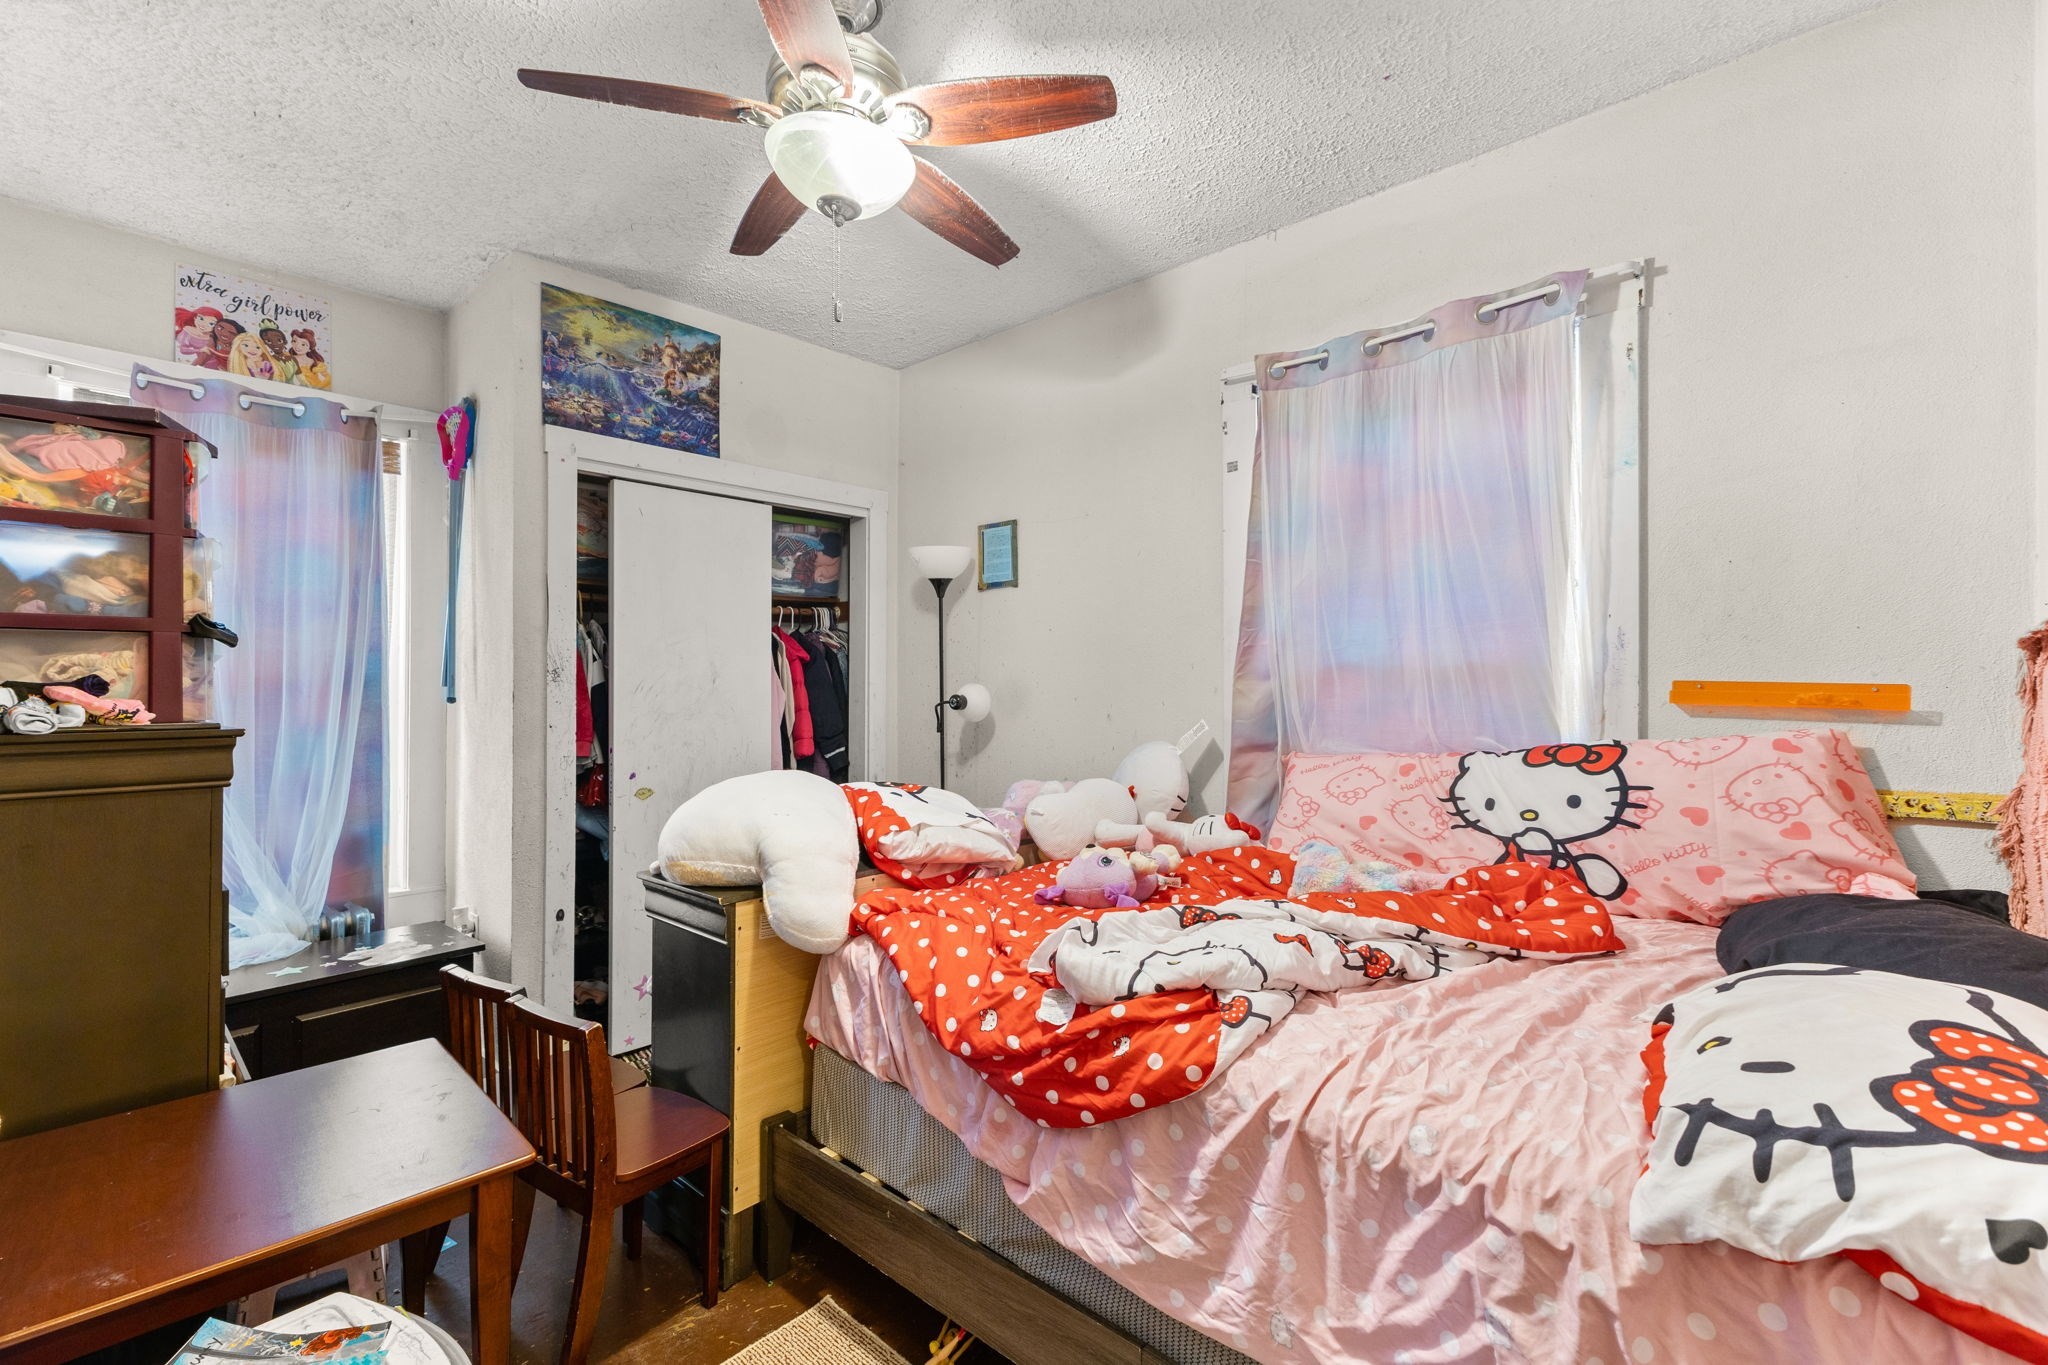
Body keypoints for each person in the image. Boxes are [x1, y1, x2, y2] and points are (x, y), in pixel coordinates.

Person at [258, 319, 298, 384]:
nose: (274, 344)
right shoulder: (267, 360)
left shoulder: (292, 359)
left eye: (279, 340)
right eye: (268, 341)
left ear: (285, 341)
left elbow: (301, 378)